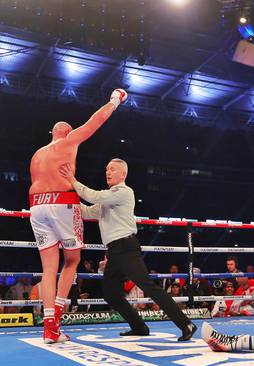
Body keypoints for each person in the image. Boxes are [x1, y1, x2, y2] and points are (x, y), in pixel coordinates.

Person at [59, 158, 196, 341]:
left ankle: (186, 324)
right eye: (106, 169)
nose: (108, 172)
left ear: (123, 174)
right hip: (114, 251)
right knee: (111, 294)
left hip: (126, 248)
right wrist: (67, 197)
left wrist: (73, 181)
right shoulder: (107, 200)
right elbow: (86, 211)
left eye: (112, 169)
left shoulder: (123, 192)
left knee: (148, 286)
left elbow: (94, 196)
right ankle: (139, 326)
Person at [29, 89, 128, 343]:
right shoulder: (68, 141)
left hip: (36, 206)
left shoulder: (37, 155)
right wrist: (115, 100)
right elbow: (95, 121)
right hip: (63, 203)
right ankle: (56, 319)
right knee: (72, 261)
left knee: (48, 268)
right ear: (66, 132)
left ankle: (48, 328)